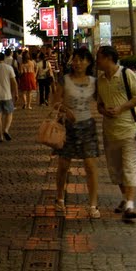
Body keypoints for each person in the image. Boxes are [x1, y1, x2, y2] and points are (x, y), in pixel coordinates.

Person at [95, 45, 136, 221]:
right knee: (116, 171)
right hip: (110, 132)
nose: (97, 61)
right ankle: (125, 198)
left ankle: (130, 206)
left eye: (99, 57)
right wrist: (103, 110)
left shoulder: (126, 74)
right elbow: (99, 104)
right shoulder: (100, 80)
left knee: (129, 168)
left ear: (108, 58)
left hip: (129, 130)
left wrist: (120, 108)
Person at [53, 47, 100, 218]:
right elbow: (55, 101)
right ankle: (59, 199)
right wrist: (65, 110)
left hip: (87, 126)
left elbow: (100, 102)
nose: (77, 63)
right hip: (67, 126)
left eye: (81, 60)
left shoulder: (94, 82)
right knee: (64, 165)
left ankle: (93, 205)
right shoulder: (64, 80)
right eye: (75, 59)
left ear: (88, 62)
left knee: (90, 165)